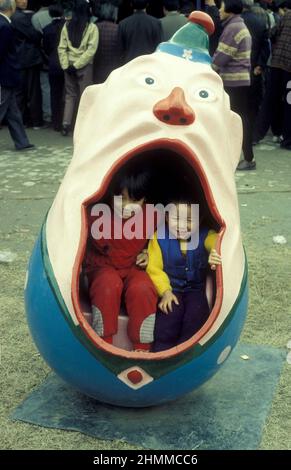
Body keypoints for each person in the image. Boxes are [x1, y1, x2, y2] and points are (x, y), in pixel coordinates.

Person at [84, 164, 158, 351]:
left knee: (143, 288)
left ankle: (142, 346)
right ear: (110, 195)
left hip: (133, 266)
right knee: (108, 284)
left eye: (134, 201)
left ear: (145, 200)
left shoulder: (153, 216)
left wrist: (150, 254)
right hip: (104, 267)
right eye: (122, 199)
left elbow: (161, 242)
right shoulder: (95, 214)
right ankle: (103, 342)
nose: (127, 207)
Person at [147, 189, 221, 352]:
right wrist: (165, 292)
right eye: (176, 219)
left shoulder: (205, 234)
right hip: (171, 290)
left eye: (189, 220)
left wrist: (215, 252)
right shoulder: (158, 237)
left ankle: (185, 353)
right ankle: (161, 352)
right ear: (166, 218)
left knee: (196, 316)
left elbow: (216, 241)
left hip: (196, 290)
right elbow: (154, 268)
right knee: (168, 316)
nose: (181, 225)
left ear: (200, 219)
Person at [212, 0, 254, 171]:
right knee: (239, 119)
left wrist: (209, 69)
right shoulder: (238, 25)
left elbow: (221, 56)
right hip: (240, 80)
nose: (219, 11)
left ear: (229, 9)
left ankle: (248, 158)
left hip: (233, 81)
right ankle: (244, 157)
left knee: (237, 121)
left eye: (221, 7)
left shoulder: (233, 28)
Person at [58, 0, 98, 136]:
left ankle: (66, 124)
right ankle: (84, 126)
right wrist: (77, 65)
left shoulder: (66, 26)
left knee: (70, 95)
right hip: (84, 67)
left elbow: (61, 48)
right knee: (85, 96)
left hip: (68, 66)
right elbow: (91, 50)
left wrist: (66, 66)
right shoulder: (92, 27)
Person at [0, 0, 34, 150]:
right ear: (11, 8)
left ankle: (22, 142)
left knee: (13, 111)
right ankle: (22, 142)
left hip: (6, 75)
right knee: (2, 108)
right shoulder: (5, 26)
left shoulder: (3, 23)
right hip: (5, 75)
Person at [43, 3, 65, 131]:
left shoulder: (46, 29)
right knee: (67, 94)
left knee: (54, 94)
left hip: (52, 63)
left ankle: (56, 122)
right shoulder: (66, 26)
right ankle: (66, 120)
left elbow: (45, 47)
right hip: (66, 63)